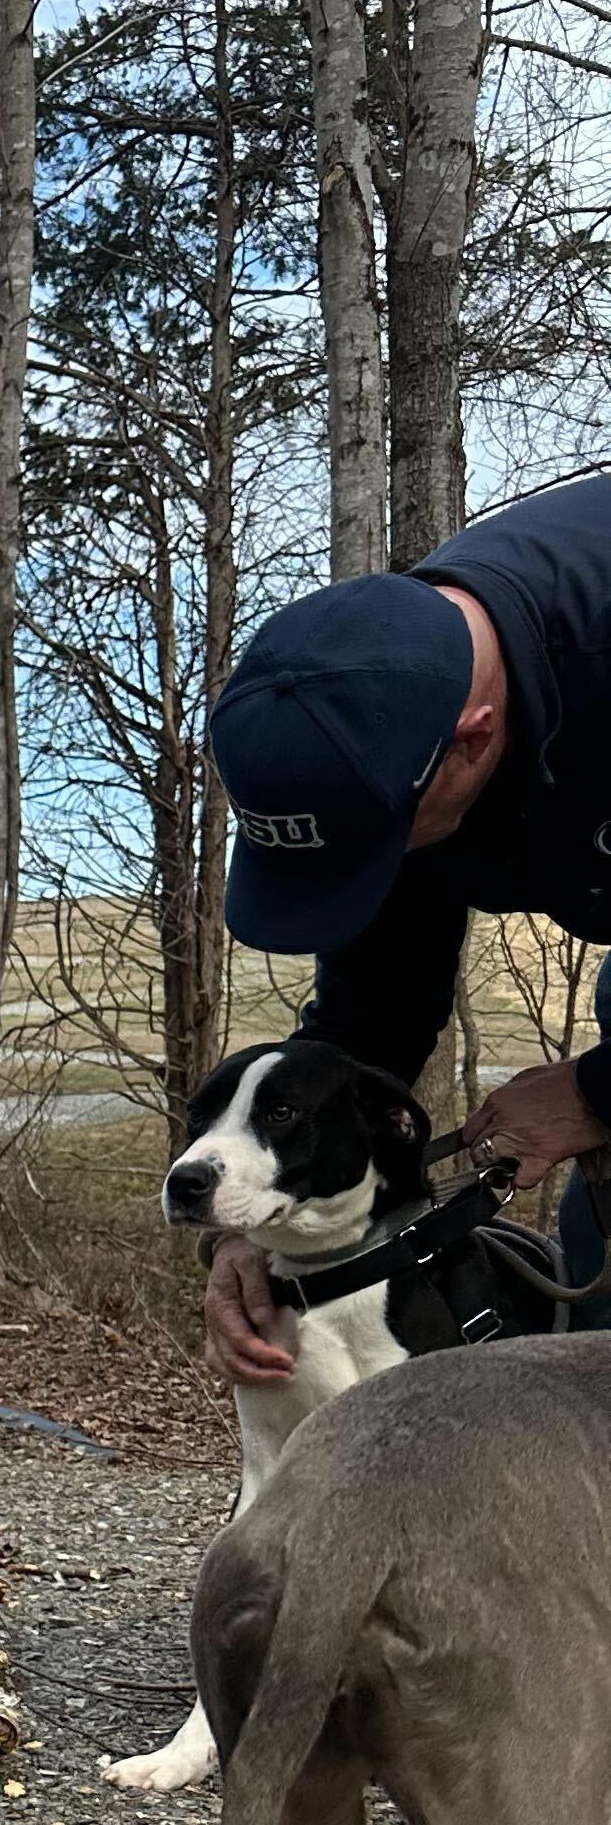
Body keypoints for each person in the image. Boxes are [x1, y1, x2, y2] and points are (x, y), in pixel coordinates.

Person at [204, 470, 611, 1387]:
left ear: (475, 738)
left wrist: (596, 1088)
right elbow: (371, 1014)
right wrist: (258, 1217)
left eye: (384, 848)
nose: (375, 874)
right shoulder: (384, 712)